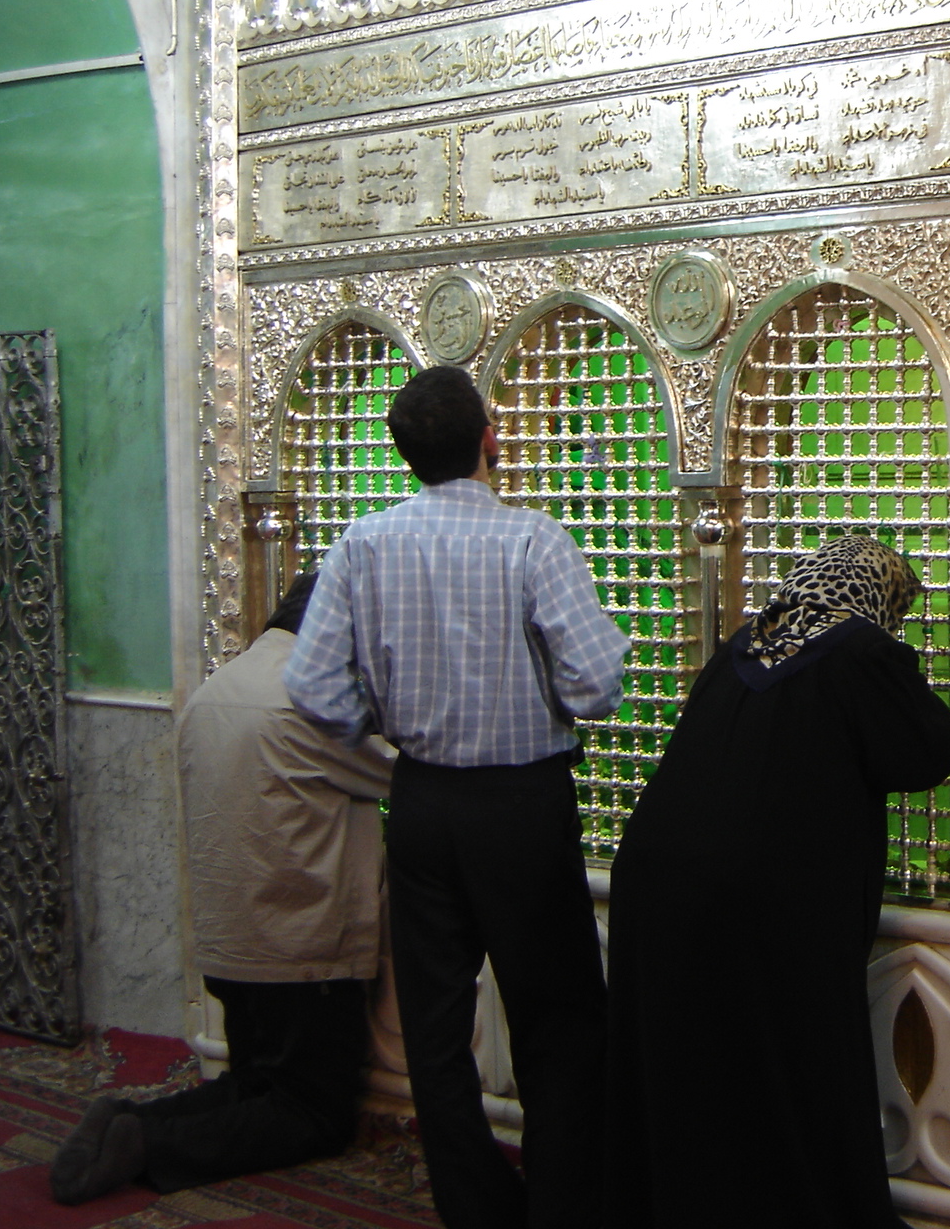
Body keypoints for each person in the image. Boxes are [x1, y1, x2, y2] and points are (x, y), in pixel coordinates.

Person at [283, 364, 629, 1229]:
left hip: (425, 803)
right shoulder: (532, 541)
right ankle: (562, 1209)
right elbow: (596, 684)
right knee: (558, 1023)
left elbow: (314, 689)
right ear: (488, 440)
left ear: (406, 454)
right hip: (521, 808)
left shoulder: (363, 544)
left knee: (434, 1034)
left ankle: (479, 1212)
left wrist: (391, 715)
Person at [604, 535, 950, 1229]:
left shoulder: (744, 643)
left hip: (658, 880)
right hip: (759, 900)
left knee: (698, 1066)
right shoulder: (861, 650)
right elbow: (927, 750)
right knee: (789, 1067)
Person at [49, 572, 395, 1206]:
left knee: (254, 1083)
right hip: (301, 947)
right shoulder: (315, 699)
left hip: (229, 942)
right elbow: (402, 772)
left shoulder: (217, 688)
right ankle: (149, 1147)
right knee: (313, 1113)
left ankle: (128, 1120)